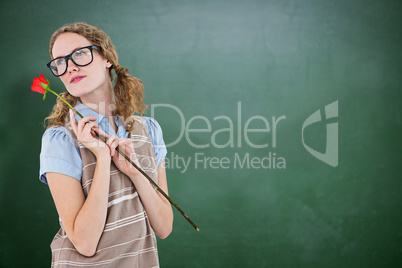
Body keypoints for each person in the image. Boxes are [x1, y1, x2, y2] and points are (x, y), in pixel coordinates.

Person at [39, 22, 173, 267]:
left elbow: (164, 227)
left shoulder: (148, 130)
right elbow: (85, 243)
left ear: (107, 58)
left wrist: (135, 173)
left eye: (79, 53)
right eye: (60, 62)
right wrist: (101, 158)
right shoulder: (61, 138)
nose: (69, 67)